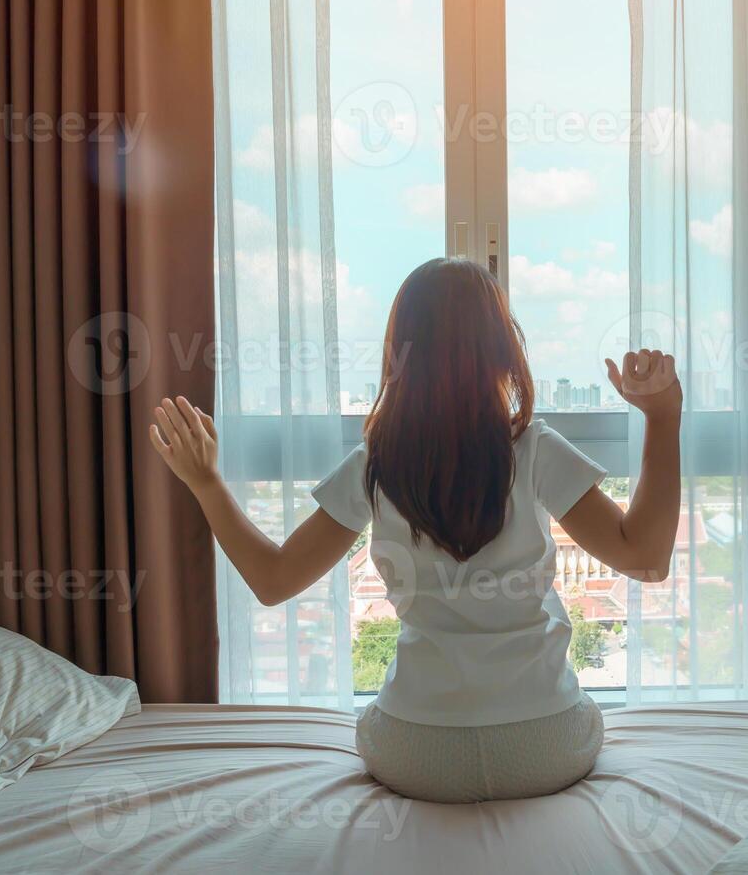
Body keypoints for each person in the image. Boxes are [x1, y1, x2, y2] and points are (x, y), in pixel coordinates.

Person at [150, 258, 682, 803]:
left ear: (399, 356)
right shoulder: (535, 449)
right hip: (546, 743)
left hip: (415, 749)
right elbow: (648, 557)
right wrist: (663, 420)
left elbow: (273, 580)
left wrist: (207, 484)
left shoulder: (375, 463)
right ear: (502, 348)